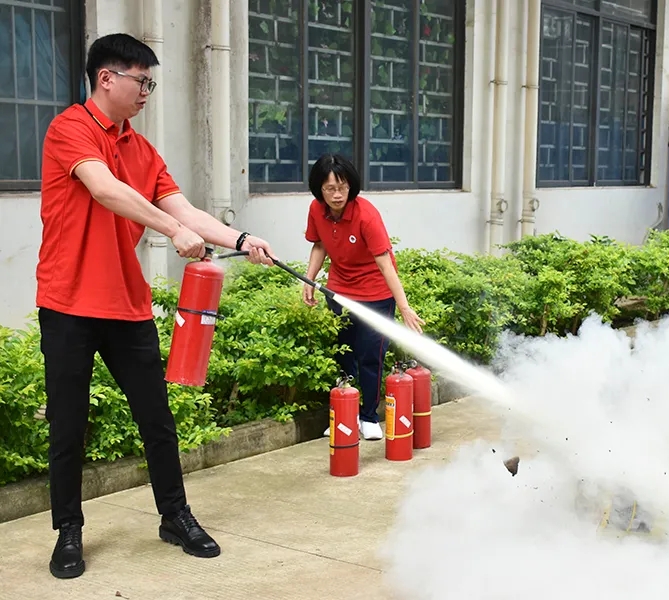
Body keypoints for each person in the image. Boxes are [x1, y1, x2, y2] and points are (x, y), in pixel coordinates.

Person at [36, 33, 277, 580]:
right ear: (107, 78)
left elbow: (184, 209)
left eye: (150, 82)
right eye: (141, 81)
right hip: (68, 304)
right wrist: (170, 230)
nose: (147, 91)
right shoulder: (70, 129)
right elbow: (105, 189)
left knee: (157, 419)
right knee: (68, 426)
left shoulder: (143, 151)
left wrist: (242, 240)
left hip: (127, 306)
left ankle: (175, 517)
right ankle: (68, 531)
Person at [302, 154, 425, 441]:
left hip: (375, 294)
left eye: (342, 188)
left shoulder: (366, 215)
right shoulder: (316, 210)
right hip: (339, 292)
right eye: (330, 189)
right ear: (319, 189)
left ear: (351, 186)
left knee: (370, 355)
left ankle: (368, 416)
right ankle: (345, 416)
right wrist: (310, 280)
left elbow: (385, 264)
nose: (337, 195)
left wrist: (404, 307)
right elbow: (319, 245)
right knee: (343, 354)